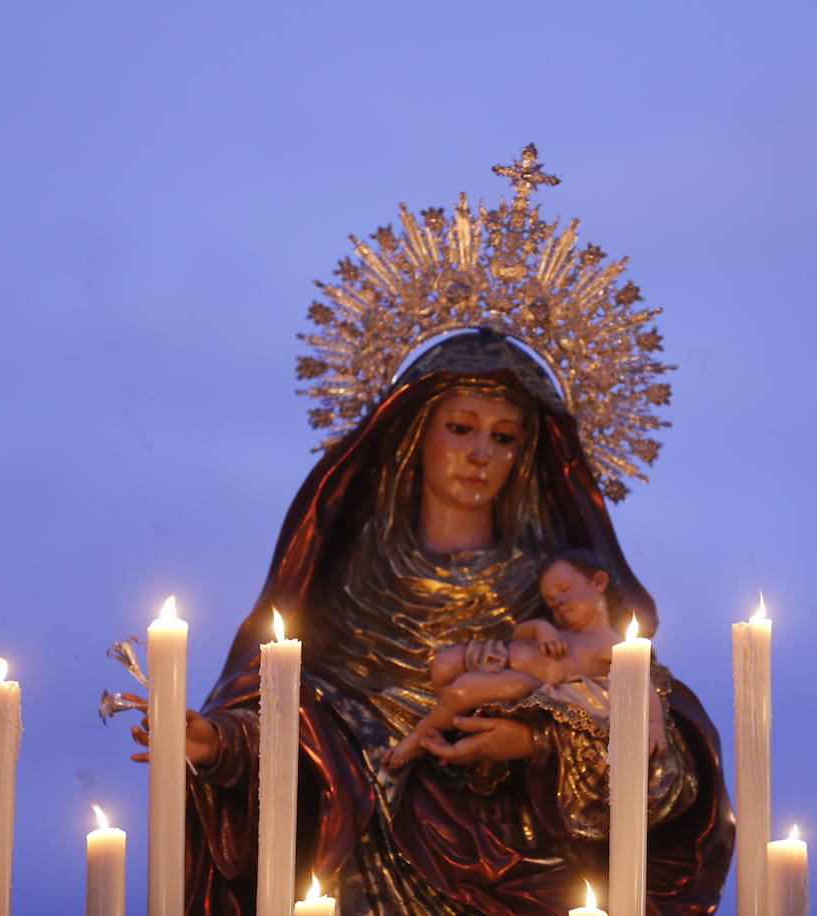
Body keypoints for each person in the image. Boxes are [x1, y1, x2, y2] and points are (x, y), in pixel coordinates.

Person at [129, 331, 733, 914]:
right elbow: (299, 722)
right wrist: (222, 746)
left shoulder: (554, 594)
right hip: (369, 860)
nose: (480, 455)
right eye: (461, 428)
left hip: (528, 867)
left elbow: (650, 736)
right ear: (415, 433)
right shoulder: (343, 584)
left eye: (505, 438)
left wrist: (538, 741)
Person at [385, 548, 667, 769]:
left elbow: (641, 685)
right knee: (442, 665)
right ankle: (451, 719)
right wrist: (541, 628)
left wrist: (653, 726)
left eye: (564, 589)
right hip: (497, 656)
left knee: (464, 689)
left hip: (527, 683)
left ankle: (416, 739)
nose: (556, 601)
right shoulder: (555, 631)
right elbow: (521, 633)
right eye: (550, 601)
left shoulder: (614, 645)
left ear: (599, 582)